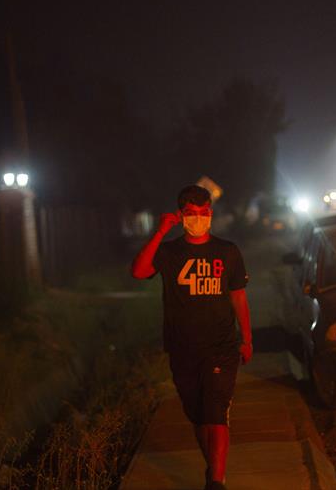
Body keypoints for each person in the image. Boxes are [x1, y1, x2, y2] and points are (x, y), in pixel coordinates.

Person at [131, 185, 253, 490]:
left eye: (203, 213)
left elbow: (239, 297)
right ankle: (213, 468)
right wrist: (160, 232)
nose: (197, 218)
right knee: (198, 417)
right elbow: (139, 271)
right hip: (182, 348)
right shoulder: (171, 252)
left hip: (221, 346)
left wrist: (247, 339)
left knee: (216, 413)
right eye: (190, 213)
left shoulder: (227, 251)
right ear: (181, 215)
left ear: (210, 214)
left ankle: (216, 482)